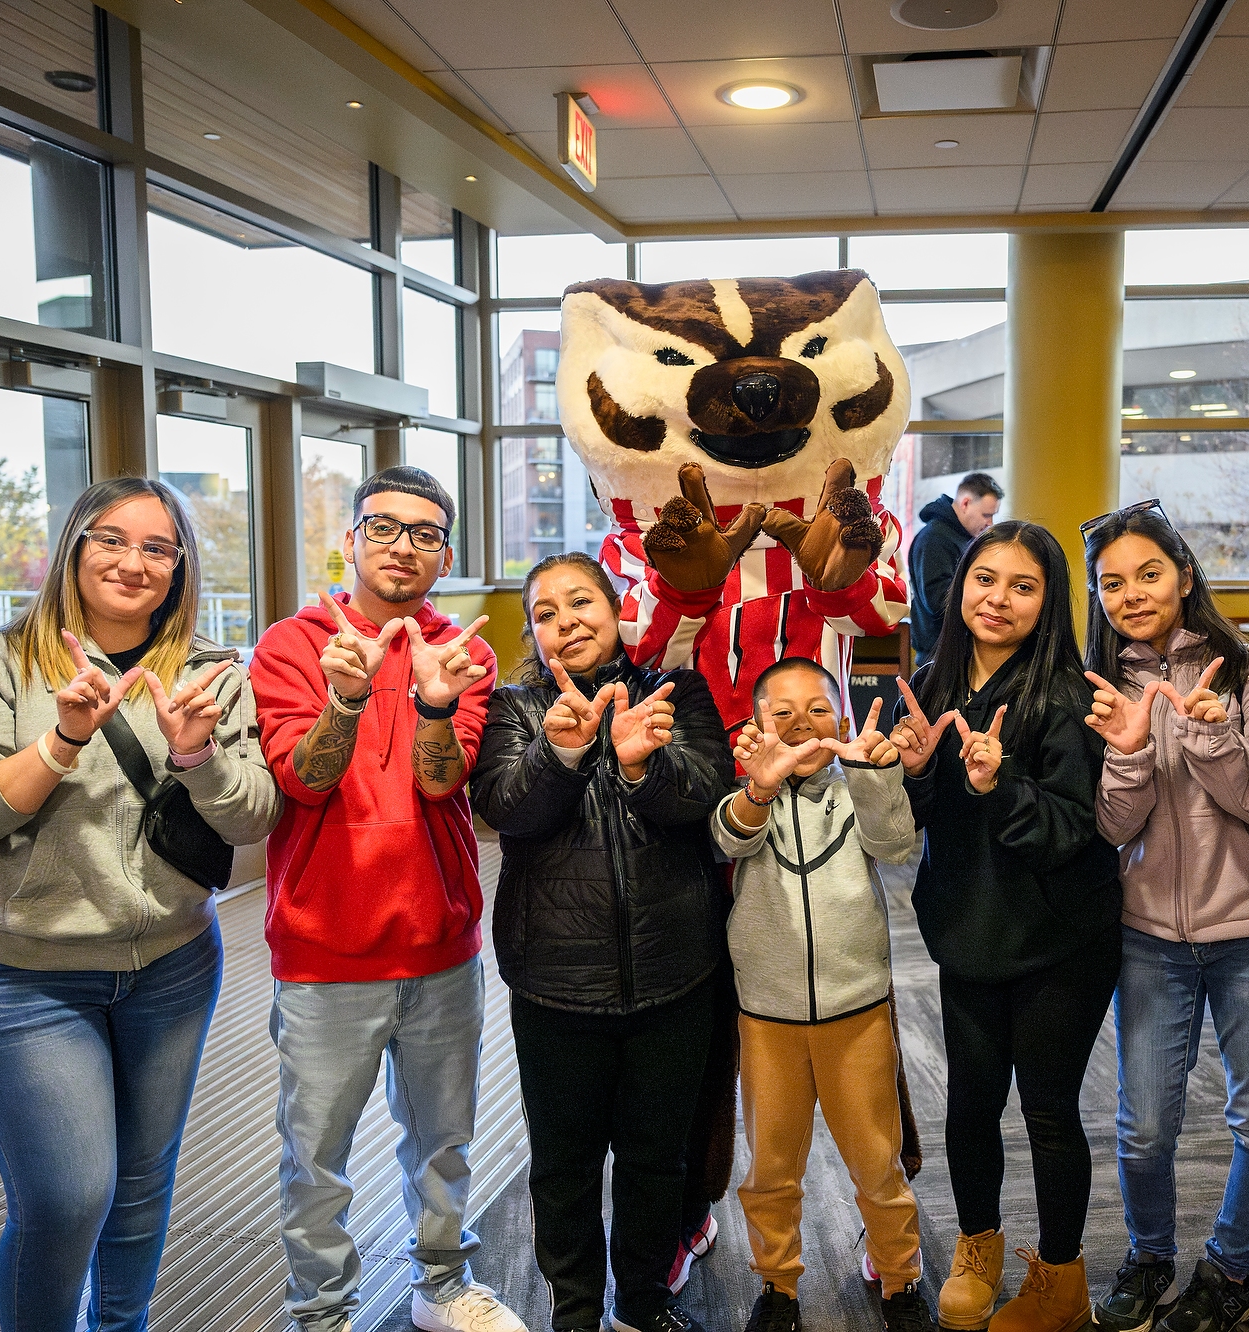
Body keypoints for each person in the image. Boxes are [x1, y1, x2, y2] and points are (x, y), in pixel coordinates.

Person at [0, 477, 281, 1332]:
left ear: (179, 568)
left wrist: (199, 758)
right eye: (111, 540)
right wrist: (61, 739)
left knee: (144, 1186)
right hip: (23, 980)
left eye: (158, 548)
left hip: (173, 969)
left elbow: (255, 814)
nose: (133, 561)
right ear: (74, 549)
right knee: (69, 1195)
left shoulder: (212, 675)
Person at [249, 466, 518, 1332]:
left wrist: (436, 705)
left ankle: (442, 1286)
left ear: (445, 552)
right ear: (353, 539)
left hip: (440, 946)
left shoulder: (463, 652)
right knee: (316, 1157)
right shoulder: (295, 645)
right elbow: (304, 777)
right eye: (386, 527)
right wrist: (349, 693)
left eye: (427, 533)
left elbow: (446, 789)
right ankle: (321, 1313)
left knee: (443, 1143)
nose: (405, 546)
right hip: (325, 949)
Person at [470, 551, 734, 1332]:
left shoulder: (673, 691)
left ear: (617, 610)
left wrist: (637, 762)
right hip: (555, 983)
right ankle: (577, 1314)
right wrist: (563, 752)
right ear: (535, 635)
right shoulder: (515, 708)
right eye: (545, 612)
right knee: (564, 1170)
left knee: (658, 1162)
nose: (565, 621)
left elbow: (708, 799)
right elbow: (506, 810)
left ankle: (643, 1307)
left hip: (675, 973)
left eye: (580, 601)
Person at [890, 520, 1119, 1332]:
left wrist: (1000, 782)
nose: (999, 600)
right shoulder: (929, 682)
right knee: (970, 1103)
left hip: (1062, 937)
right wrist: (915, 774)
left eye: (1024, 587)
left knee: (1050, 1111)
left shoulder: (1070, 697)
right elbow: (905, 826)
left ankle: (1061, 1279)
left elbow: (1071, 833)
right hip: (967, 930)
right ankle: (978, 1246)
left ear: (1049, 603)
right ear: (958, 587)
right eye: (986, 580)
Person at [1083, 504, 1249, 1332]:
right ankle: (1148, 1258)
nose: (1131, 593)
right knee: (1142, 1130)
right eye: (1112, 582)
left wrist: (1210, 735)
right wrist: (1132, 748)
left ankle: (1230, 1271)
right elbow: (1113, 826)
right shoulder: (1101, 684)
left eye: (1147, 574)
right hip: (1149, 938)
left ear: (1183, 574)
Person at [715, 658, 934, 1332]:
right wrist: (760, 787)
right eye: (780, 711)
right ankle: (777, 1285)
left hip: (857, 1011)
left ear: (840, 719)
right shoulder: (745, 793)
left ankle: (900, 1278)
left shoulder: (857, 788)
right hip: (767, 1017)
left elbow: (895, 844)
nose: (801, 722)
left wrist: (872, 774)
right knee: (772, 1167)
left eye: (817, 708)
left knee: (877, 1159)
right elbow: (729, 837)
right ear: (755, 725)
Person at [909, 472, 1005, 664]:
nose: (990, 523)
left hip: (955, 651)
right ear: (965, 503)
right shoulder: (934, 540)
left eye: (993, 516)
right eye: (986, 515)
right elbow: (937, 601)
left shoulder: (963, 538)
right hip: (940, 655)